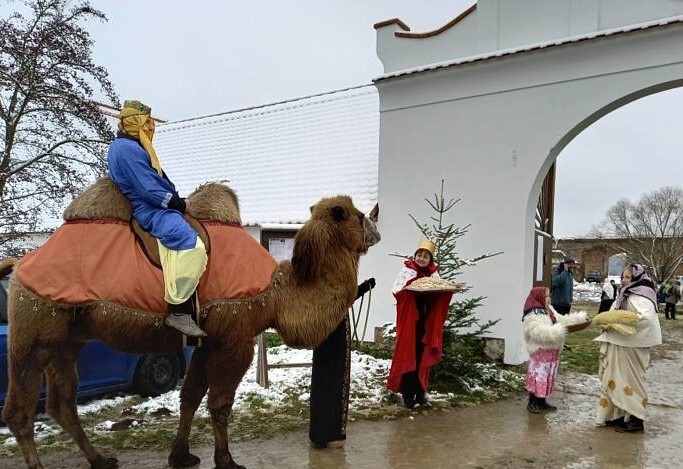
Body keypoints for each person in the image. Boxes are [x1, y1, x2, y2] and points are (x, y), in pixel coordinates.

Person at [107, 100, 207, 337]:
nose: (152, 127)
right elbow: (148, 190)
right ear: (138, 123)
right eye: (148, 123)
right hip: (152, 210)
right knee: (192, 246)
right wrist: (178, 204)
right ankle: (179, 310)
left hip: (156, 205)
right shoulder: (126, 149)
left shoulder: (131, 146)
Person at [387, 239, 454, 409]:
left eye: (426, 256)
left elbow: (439, 294)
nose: (422, 258)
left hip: (426, 321)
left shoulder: (433, 275)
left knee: (422, 355)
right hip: (410, 321)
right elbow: (398, 292)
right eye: (420, 255)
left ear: (430, 260)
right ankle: (408, 395)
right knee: (409, 354)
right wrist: (412, 285)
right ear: (415, 256)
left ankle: (421, 393)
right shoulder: (406, 272)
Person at [595, 264, 662, 433]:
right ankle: (615, 415)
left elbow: (644, 319)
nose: (624, 280)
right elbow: (613, 312)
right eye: (623, 277)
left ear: (637, 278)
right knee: (614, 378)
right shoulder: (623, 294)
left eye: (628, 277)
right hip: (617, 345)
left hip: (633, 347)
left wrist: (619, 322)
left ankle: (635, 420)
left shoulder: (644, 296)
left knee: (632, 381)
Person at [309, 278, 375, 448]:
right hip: (331, 334)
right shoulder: (325, 274)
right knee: (334, 381)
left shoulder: (328, 273)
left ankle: (321, 433)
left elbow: (345, 298)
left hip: (327, 334)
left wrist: (362, 288)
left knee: (328, 381)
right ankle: (329, 435)